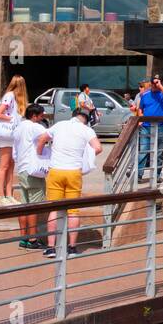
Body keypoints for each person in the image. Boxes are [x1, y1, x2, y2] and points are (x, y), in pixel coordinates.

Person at [36, 108, 103, 258]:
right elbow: (98, 148)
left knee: (54, 209)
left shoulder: (59, 125)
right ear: (86, 119)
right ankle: (72, 248)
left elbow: (42, 139)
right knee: (73, 211)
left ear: (73, 116)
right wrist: (84, 158)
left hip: (56, 171)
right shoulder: (87, 130)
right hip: (74, 172)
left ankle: (51, 247)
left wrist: (40, 154)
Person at [12, 103, 51, 250]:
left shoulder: (18, 128)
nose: (42, 118)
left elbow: (14, 152)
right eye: (41, 116)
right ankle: (33, 239)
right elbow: (48, 136)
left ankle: (23, 238)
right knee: (34, 206)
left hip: (21, 169)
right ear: (34, 116)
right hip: (33, 170)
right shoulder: (35, 127)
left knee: (24, 206)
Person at [0, 75, 27, 205]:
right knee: (5, 165)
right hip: (6, 134)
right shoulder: (10, 96)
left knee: (11, 165)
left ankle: (9, 194)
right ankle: (2, 196)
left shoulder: (16, 98)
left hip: (11, 134)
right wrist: (12, 119)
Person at [136, 76, 163, 180]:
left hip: (160, 126)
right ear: (151, 83)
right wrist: (141, 119)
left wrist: (160, 86)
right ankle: (139, 174)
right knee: (143, 151)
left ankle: (157, 175)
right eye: (153, 83)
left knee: (159, 152)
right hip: (146, 127)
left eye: (157, 83)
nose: (155, 85)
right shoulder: (145, 95)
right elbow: (141, 109)